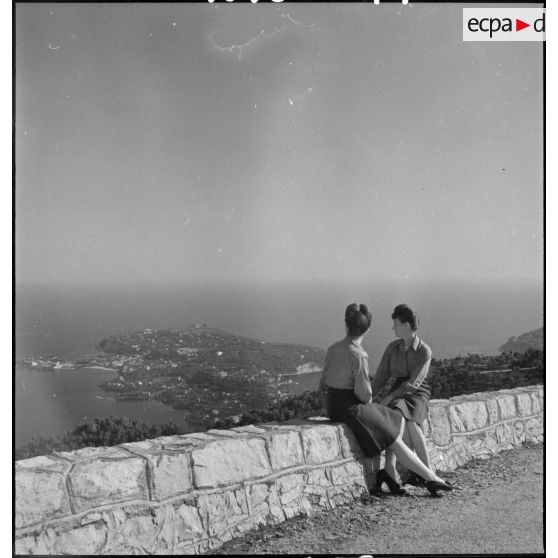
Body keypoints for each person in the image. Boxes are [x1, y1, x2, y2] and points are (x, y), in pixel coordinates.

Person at [319, 303, 453, 497]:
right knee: (392, 429)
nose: (393, 328)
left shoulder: (332, 349)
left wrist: (327, 406)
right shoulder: (361, 354)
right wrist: (370, 400)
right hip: (356, 405)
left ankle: (401, 473)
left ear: (347, 326)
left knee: (398, 422)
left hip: (340, 404)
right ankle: (429, 478)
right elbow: (370, 389)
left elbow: (321, 385)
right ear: (367, 329)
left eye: (396, 324)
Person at [372, 304, 433, 486]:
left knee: (413, 426)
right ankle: (391, 470)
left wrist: (390, 398)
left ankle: (428, 474)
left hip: (417, 391)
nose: (393, 328)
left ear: (406, 325)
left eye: (396, 324)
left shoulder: (424, 351)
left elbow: (414, 383)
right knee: (396, 420)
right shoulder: (392, 348)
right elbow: (381, 377)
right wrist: (367, 397)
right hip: (398, 391)